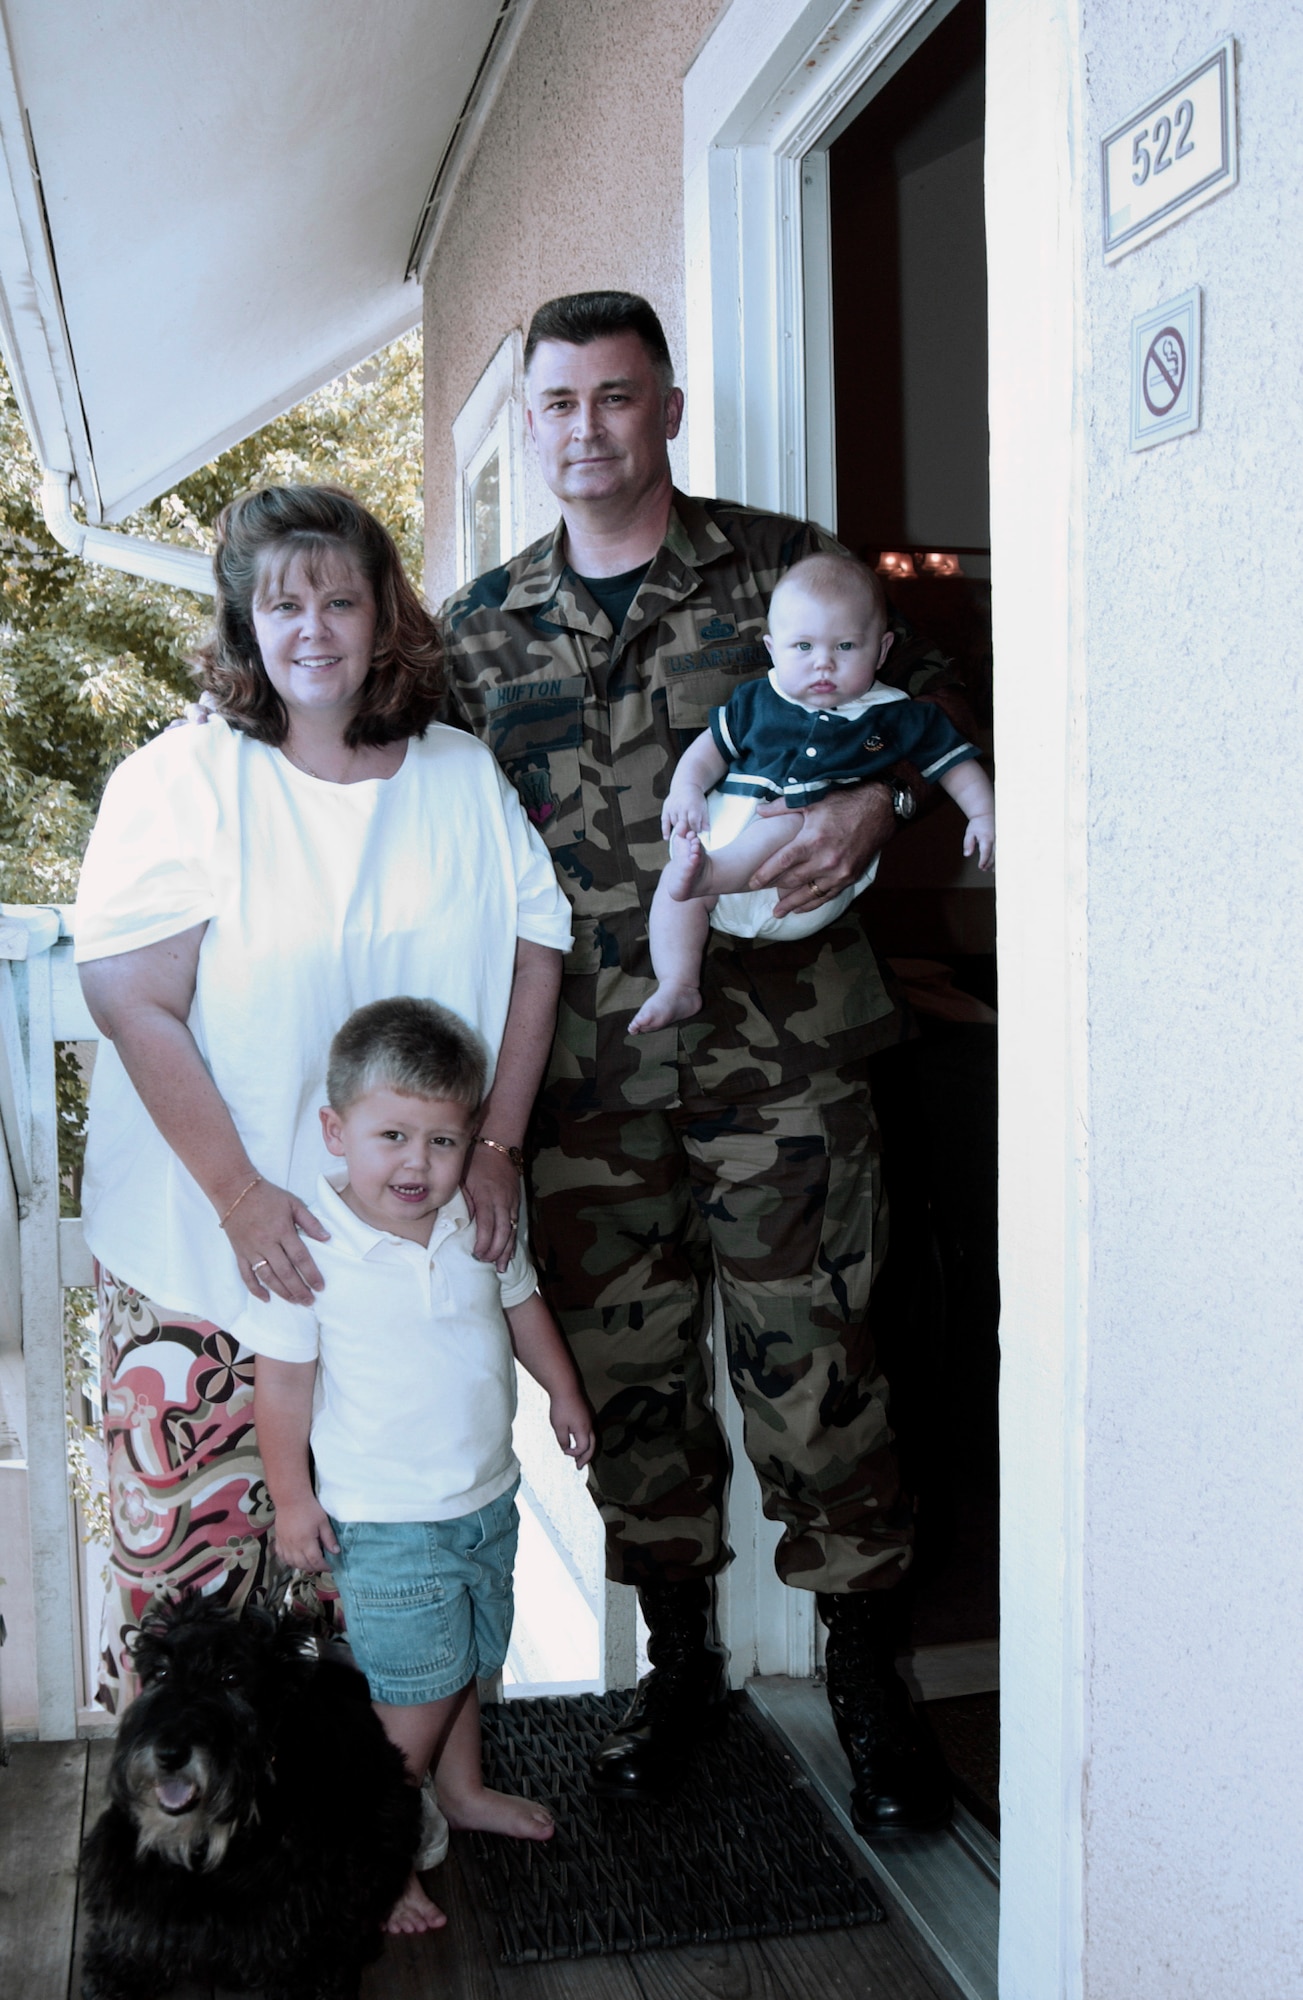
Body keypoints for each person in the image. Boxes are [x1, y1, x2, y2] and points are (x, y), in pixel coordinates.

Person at [440, 291, 962, 1835]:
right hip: (583, 1080)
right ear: (531, 422)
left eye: (616, 396)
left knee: (822, 1378)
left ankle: (871, 1692)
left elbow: (936, 709)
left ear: (667, 408)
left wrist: (880, 808)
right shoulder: (477, 627)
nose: (584, 428)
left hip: (784, 1064)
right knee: (631, 1399)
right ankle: (680, 1675)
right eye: (556, 403)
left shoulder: (781, 574)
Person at [74, 484, 572, 1716]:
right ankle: (198, 1879)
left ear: (382, 613)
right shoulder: (181, 779)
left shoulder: (458, 775)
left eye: (339, 597)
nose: (313, 627)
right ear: (244, 626)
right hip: (207, 1258)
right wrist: (243, 1193)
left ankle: (372, 1847)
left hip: (397, 1273)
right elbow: (133, 995)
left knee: (390, 1590)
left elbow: (534, 951)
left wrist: (498, 1142)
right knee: (198, 1606)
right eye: (280, 602)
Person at [241, 996, 594, 1933]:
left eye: (443, 1141)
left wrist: (562, 1392)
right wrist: (291, 1500)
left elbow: (522, 1309)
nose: (417, 1163)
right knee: (415, 1696)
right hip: (387, 1523)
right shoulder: (311, 1250)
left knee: (463, 1663)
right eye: (391, 1135)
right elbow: (280, 1389)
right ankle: (377, 1850)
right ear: (336, 1131)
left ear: (473, 1139)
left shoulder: (476, 1222)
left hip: (486, 1498)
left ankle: (466, 1792)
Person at [629, 551, 994, 1032]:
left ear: (882, 651)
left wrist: (984, 815)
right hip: (711, 881)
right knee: (672, 890)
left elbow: (955, 764)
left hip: (805, 889)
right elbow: (707, 750)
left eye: (845, 646)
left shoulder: (897, 714)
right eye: (802, 646)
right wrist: (686, 790)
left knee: (797, 814)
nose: (823, 663)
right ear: (772, 648)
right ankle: (679, 985)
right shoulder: (759, 700)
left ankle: (711, 875)